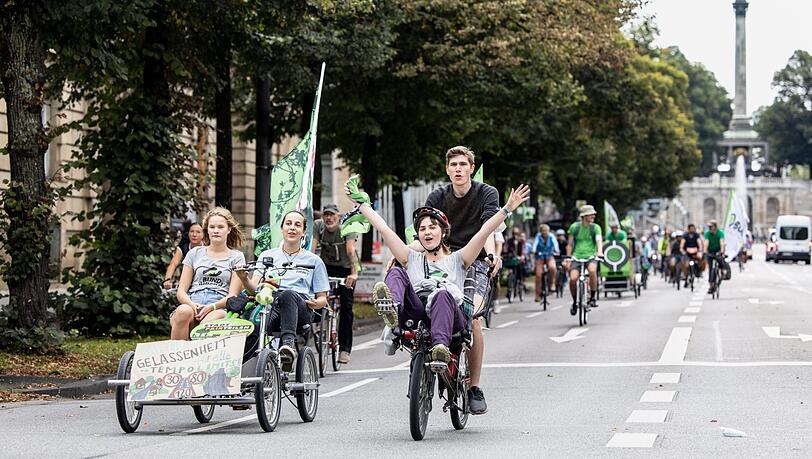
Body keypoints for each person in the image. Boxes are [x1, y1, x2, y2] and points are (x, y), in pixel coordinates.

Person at [356, 184, 528, 364]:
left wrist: (507, 209)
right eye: (422, 229)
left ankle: (440, 348)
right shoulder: (411, 257)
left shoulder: (458, 259)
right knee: (396, 271)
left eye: (432, 227)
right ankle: (392, 306)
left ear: (443, 232)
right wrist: (362, 204)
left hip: (450, 315)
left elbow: (483, 232)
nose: (427, 232)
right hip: (417, 311)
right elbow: (384, 229)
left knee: (443, 294)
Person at [417, 146, 502, 415]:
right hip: (443, 257)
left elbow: (488, 227)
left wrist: (491, 255)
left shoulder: (487, 193)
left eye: (463, 164)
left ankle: (474, 387)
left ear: (471, 168)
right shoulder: (437, 196)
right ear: (447, 169)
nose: (458, 169)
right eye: (453, 164)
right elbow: (427, 233)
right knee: (423, 304)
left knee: (473, 317)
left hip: (475, 257)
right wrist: (403, 254)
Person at [237, 210, 330, 372]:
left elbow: (323, 298)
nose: (292, 228)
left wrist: (316, 303)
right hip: (271, 302)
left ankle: (287, 346)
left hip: (300, 306)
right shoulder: (267, 256)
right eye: (288, 224)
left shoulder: (314, 260)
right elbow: (254, 290)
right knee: (255, 326)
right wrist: (244, 279)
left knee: (288, 294)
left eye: (297, 225)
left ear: (303, 232)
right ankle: (241, 372)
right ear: (282, 228)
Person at [170, 208, 246, 340]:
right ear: (207, 230)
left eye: (220, 227)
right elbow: (181, 291)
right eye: (212, 227)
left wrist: (212, 307)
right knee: (183, 311)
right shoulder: (194, 253)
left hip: (218, 307)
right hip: (192, 303)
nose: (216, 230)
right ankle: (177, 357)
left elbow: (232, 295)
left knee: (206, 326)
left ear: (228, 230)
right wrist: (192, 305)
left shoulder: (237, 257)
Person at [313, 203, 359, 365]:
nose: (329, 218)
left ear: (338, 217)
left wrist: (353, 273)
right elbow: (312, 250)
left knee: (346, 308)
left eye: (332, 215)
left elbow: (350, 250)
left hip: (347, 268)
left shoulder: (347, 226)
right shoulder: (318, 226)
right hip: (327, 267)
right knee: (318, 297)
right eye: (326, 214)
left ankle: (345, 349)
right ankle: (318, 326)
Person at [566, 204, 603, 314]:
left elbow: (599, 241)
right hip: (577, 256)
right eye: (590, 214)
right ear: (584, 216)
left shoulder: (595, 228)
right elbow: (570, 244)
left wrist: (600, 251)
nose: (593, 216)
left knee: (592, 271)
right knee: (573, 279)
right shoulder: (574, 227)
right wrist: (568, 258)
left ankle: (592, 296)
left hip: (591, 255)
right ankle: (574, 302)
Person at [163, 222, 204, 289]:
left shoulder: (208, 246)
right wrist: (167, 280)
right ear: (188, 234)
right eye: (192, 231)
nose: (194, 234)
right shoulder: (184, 245)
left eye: (198, 232)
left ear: (203, 235)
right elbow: (173, 263)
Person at [532, 224, 559, 300]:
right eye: (543, 231)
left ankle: (552, 284)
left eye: (546, 231)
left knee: (552, 267)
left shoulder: (551, 236)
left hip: (549, 255)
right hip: (540, 256)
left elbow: (555, 244)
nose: (544, 232)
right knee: (538, 275)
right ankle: (538, 294)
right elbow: (535, 244)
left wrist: (557, 251)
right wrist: (533, 251)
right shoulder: (538, 236)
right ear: (540, 231)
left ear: (548, 231)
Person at [704, 220, 726, 294]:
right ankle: (711, 285)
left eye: (711, 226)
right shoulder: (707, 234)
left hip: (718, 251)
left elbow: (722, 242)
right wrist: (705, 251)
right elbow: (706, 242)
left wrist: (722, 251)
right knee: (711, 269)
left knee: (720, 260)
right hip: (710, 252)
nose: (709, 228)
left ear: (715, 227)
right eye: (708, 227)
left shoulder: (720, 233)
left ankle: (722, 270)